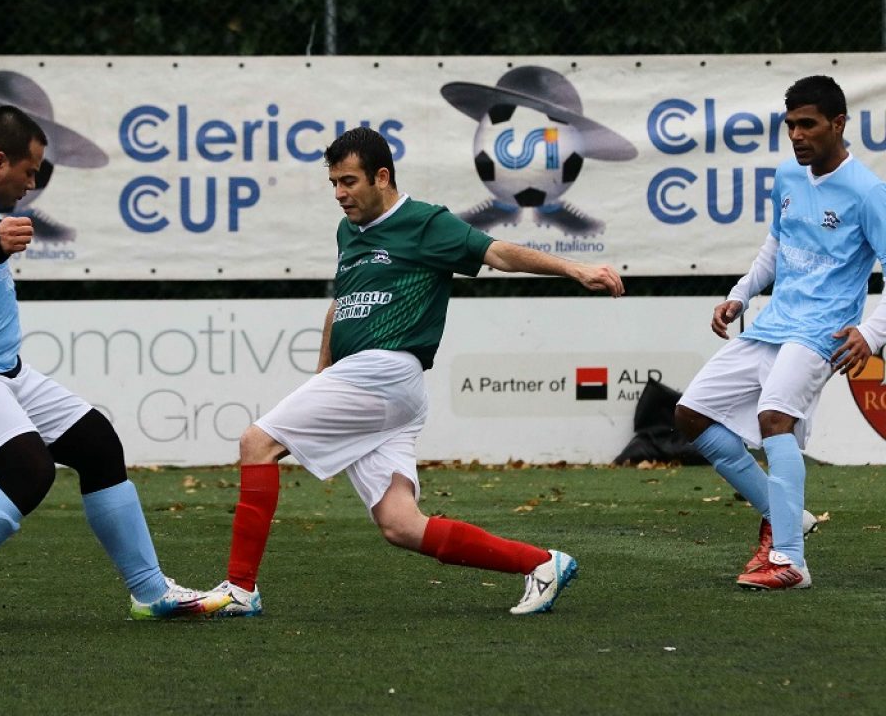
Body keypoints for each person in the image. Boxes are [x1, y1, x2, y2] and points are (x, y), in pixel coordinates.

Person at [200, 126, 624, 618]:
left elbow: (499, 253)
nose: (339, 194)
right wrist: (322, 372)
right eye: (334, 183)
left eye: (349, 182)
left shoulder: (426, 222)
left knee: (257, 442)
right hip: (382, 387)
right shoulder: (348, 231)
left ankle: (240, 588)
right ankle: (542, 563)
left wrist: (575, 270)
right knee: (401, 525)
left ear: (382, 176)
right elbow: (344, 303)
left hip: (383, 372)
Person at [0, 105, 227, 632]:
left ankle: (151, 592)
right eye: (29, 172)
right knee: (29, 470)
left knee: (98, 445)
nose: (32, 184)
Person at [674, 75, 886, 591]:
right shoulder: (790, 178)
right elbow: (775, 244)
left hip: (823, 332)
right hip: (773, 323)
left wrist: (872, 333)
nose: (796, 135)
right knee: (690, 414)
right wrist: (740, 294)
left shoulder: (868, 192)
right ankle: (786, 512)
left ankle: (790, 559)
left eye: (807, 124)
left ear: (838, 124)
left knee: (775, 418)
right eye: (790, 125)